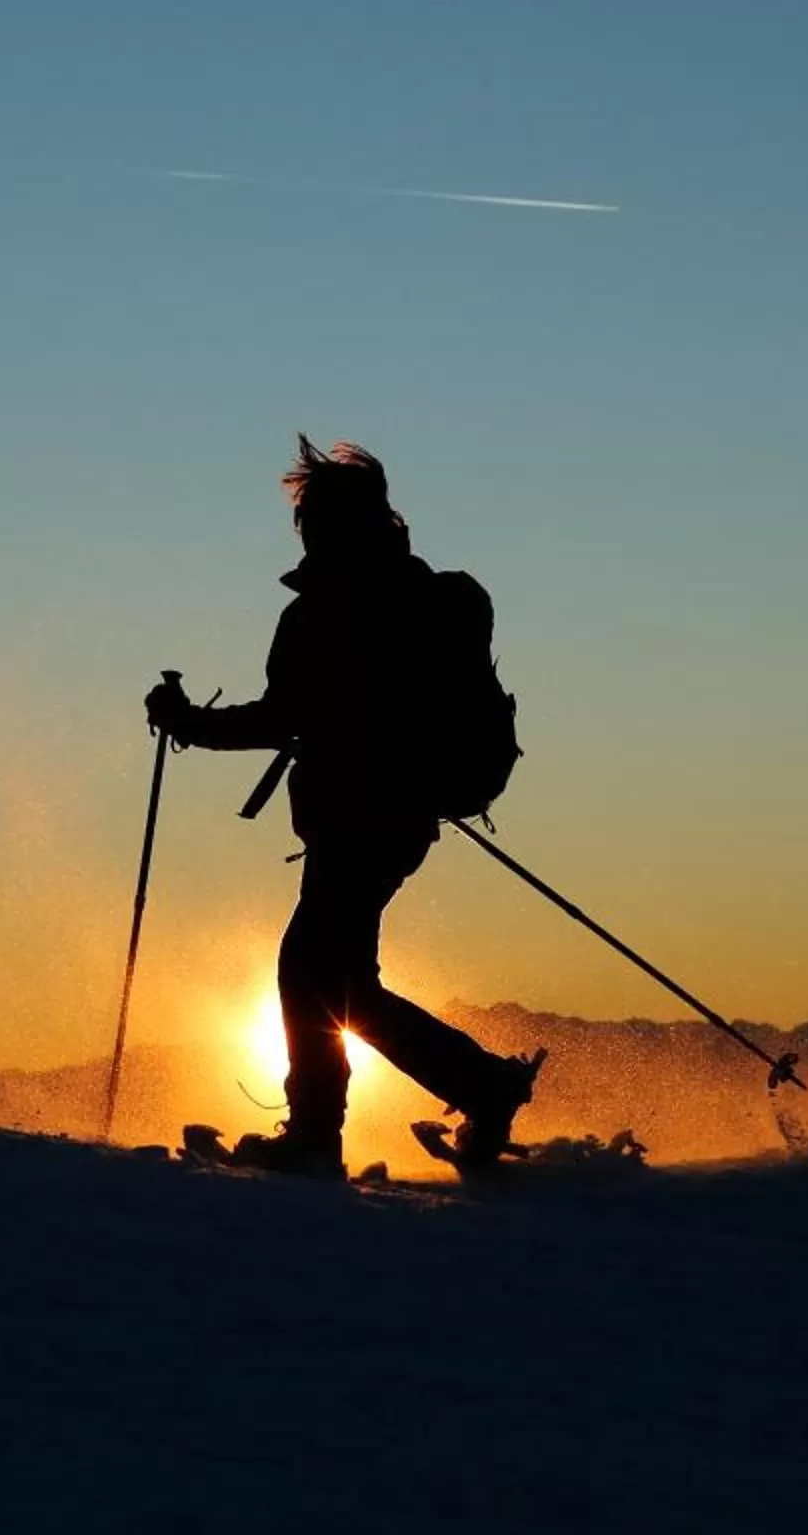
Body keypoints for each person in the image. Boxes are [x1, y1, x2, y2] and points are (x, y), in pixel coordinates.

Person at [146, 438, 538, 1175]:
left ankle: (321, 1136)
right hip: (402, 813)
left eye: (312, 518)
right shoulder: (420, 597)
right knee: (342, 982)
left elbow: (280, 718)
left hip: (358, 815)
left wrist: (188, 721)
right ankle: (478, 1086)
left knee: (312, 972)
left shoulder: (326, 611)